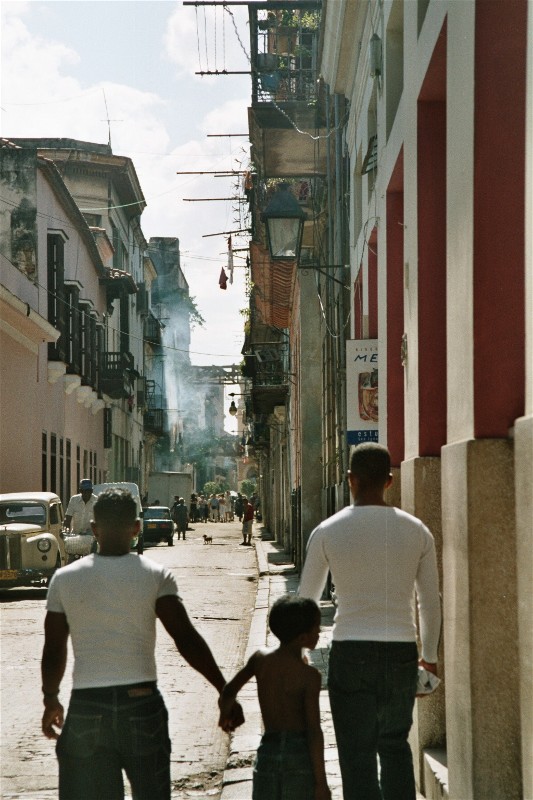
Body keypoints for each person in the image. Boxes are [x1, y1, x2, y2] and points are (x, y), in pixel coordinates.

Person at [41, 488, 243, 800]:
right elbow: (186, 639)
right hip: (142, 705)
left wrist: (51, 698)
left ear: (94, 529)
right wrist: (224, 689)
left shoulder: (64, 580)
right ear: (137, 527)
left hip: (86, 706)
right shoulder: (155, 575)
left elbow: (54, 649)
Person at [299, 443, 441, 800]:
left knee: (355, 754)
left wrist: (300, 652)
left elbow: (306, 603)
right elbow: (428, 601)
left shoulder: (327, 531)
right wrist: (430, 656)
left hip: (350, 650)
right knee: (395, 746)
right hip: (401, 652)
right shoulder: (418, 531)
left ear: (351, 480)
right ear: (390, 482)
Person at [218, 594, 331, 800]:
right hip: (299, 756)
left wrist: (226, 714)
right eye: (317, 628)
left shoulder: (260, 659)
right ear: (303, 638)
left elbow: (228, 691)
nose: (320, 632)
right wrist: (321, 783)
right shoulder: (309, 676)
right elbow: (314, 731)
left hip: (268, 751)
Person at [63, 478, 98, 555]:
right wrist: (66, 529)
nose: (86, 494)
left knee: (93, 559)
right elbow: (68, 518)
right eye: (84, 491)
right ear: (80, 491)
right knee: (71, 560)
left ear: (91, 491)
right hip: (76, 536)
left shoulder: (97, 501)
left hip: (90, 538)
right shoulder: (74, 500)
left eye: (88, 491)